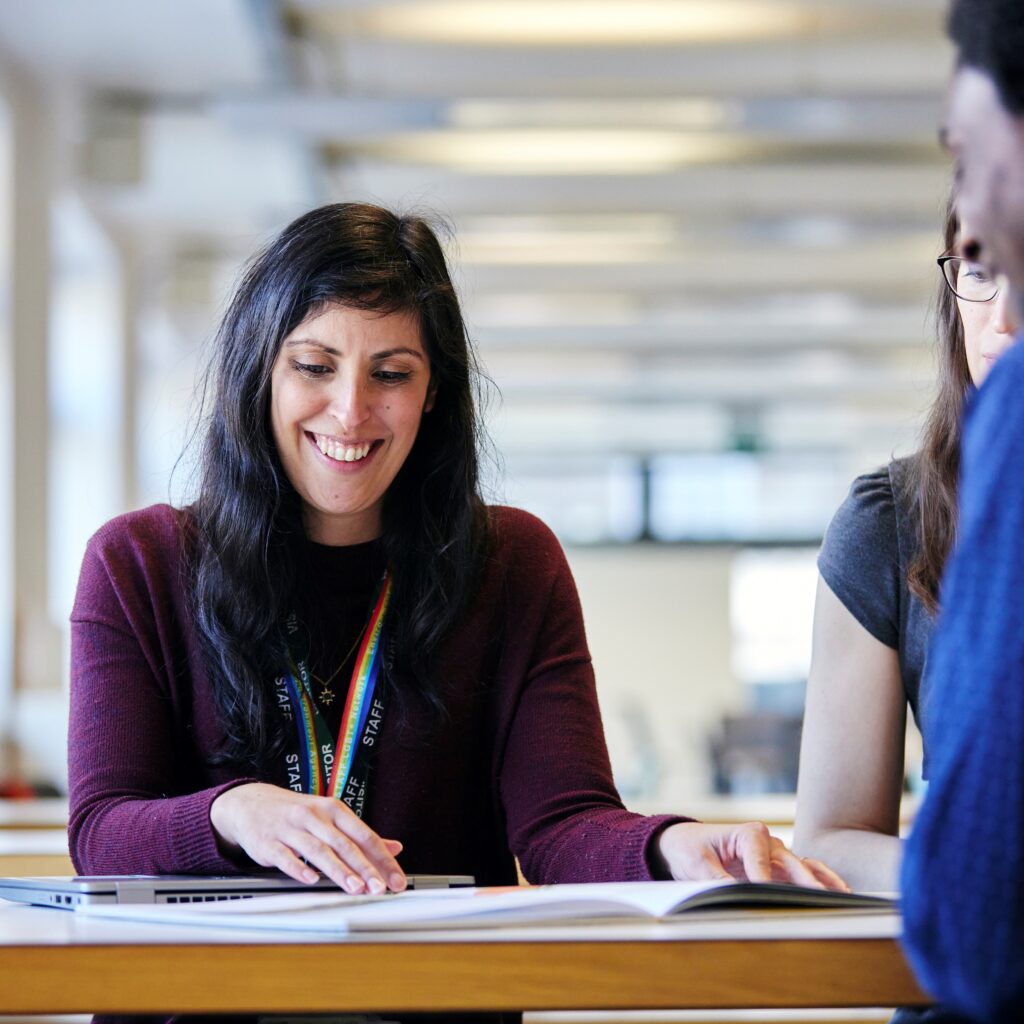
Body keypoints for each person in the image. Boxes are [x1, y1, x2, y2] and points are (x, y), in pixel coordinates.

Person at [68, 203, 842, 913]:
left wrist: (671, 846)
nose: (351, 409)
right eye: (314, 365)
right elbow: (101, 832)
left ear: (433, 391)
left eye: (391, 374)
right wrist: (231, 812)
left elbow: (562, 826)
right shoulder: (139, 565)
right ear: (260, 371)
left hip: (431, 999)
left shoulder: (511, 564)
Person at [793, 200, 1016, 893]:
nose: (1001, 319)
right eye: (980, 268)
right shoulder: (894, 524)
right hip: (979, 981)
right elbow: (834, 838)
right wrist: (975, 882)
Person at [900, 0, 1024, 1019]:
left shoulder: (1017, 422)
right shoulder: (885, 514)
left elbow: (977, 928)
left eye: (969, 149)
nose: (969, 212)